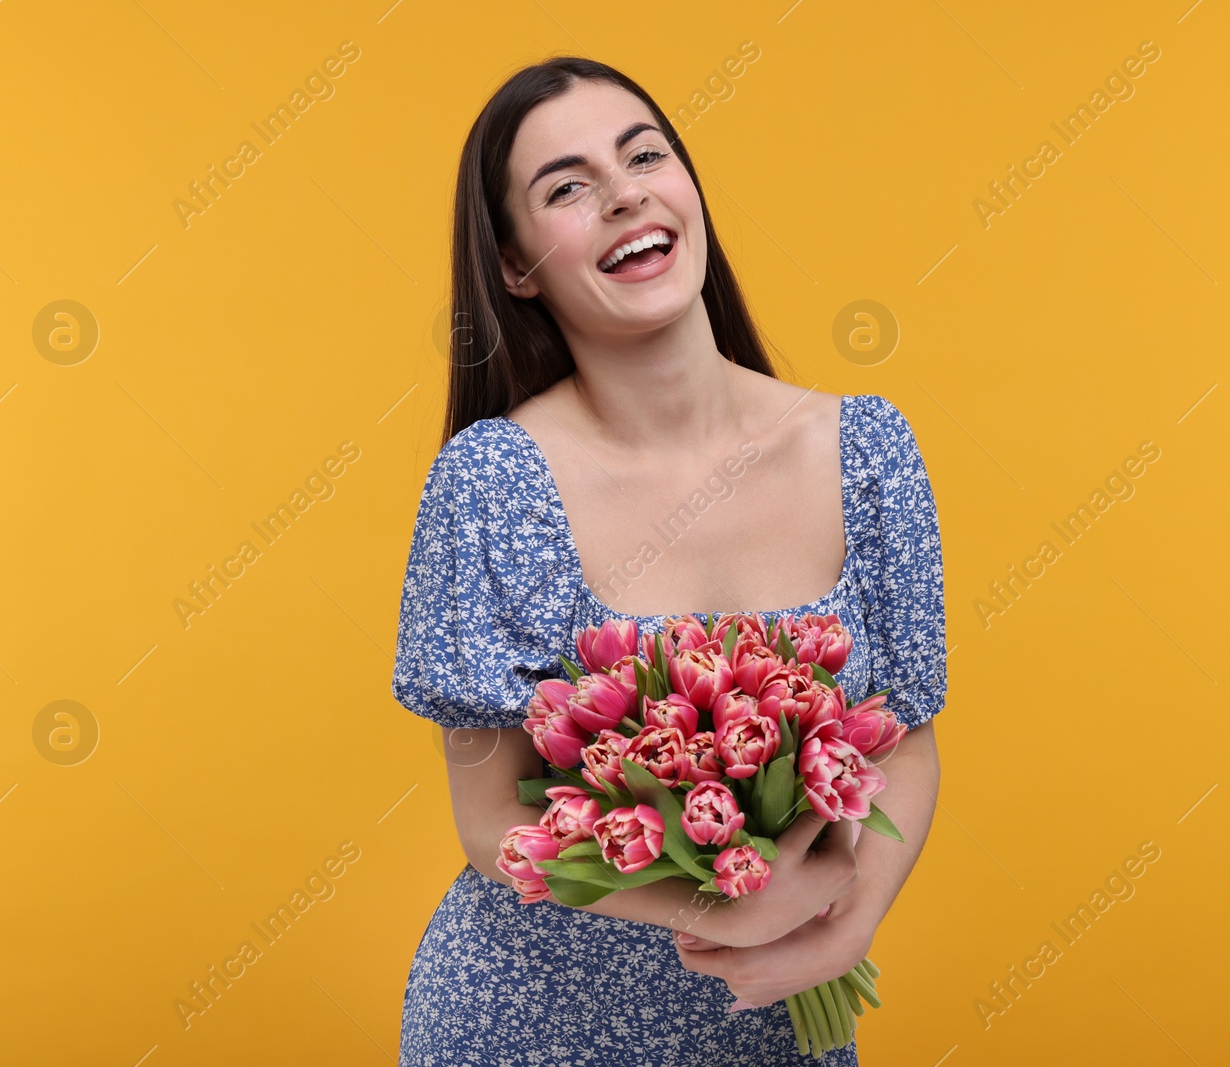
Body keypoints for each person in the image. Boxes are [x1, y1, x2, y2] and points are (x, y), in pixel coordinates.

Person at [390, 55, 946, 1065]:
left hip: (779, 1023)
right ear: (516, 265)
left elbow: (905, 737)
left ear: (687, 189)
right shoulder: (491, 481)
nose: (623, 193)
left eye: (644, 154)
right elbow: (489, 823)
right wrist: (717, 911)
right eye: (566, 187)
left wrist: (845, 925)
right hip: (528, 1026)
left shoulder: (865, 450)